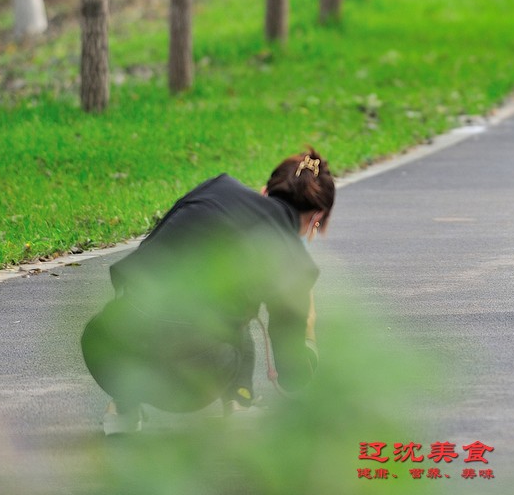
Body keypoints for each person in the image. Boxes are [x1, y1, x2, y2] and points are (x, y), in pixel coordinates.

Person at [81, 149, 334, 434]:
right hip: (187, 385)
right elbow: (292, 377)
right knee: (233, 313)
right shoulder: (294, 262)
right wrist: (308, 333)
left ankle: (123, 409)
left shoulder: (217, 187)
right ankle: (241, 405)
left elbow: (143, 259)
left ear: (265, 191)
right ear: (318, 217)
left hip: (103, 348)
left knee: (151, 303)